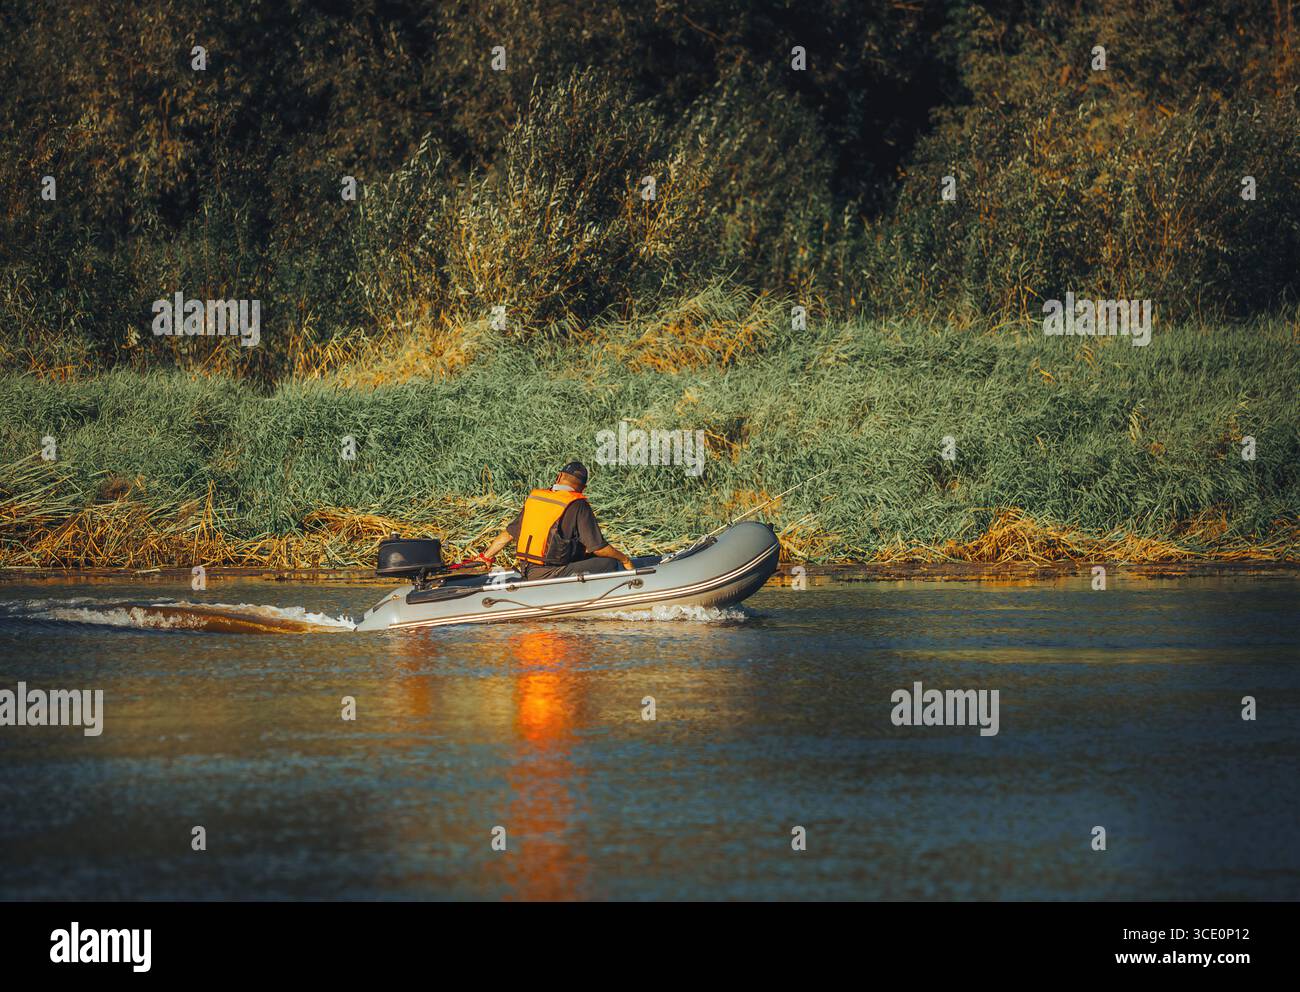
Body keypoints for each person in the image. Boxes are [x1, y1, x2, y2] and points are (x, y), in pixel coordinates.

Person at [476, 461, 634, 579]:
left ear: (559, 477)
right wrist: (625, 559)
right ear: (583, 488)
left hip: (526, 569)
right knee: (609, 563)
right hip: (548, 573)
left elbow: (508, 535)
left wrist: (486, 556)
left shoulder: (536, 499)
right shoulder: (578, 504)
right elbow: (599, 548)